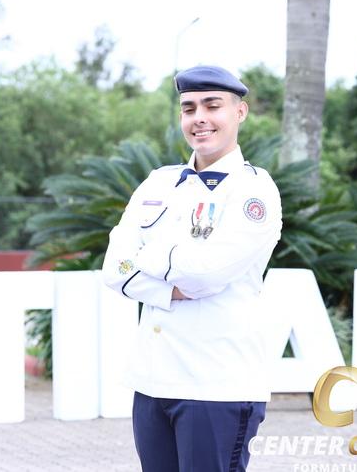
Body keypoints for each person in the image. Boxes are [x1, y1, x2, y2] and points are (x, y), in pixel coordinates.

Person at [101, 65, 282, 472]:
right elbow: (114, 268)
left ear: (240, 112)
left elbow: (206, 275)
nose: (199, 118)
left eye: (212, 106)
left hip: (216, 384)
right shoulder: (158, 183)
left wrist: (147, 255)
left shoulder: (254, 190)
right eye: (189, 108)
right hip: (152, 380)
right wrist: (171, 284)